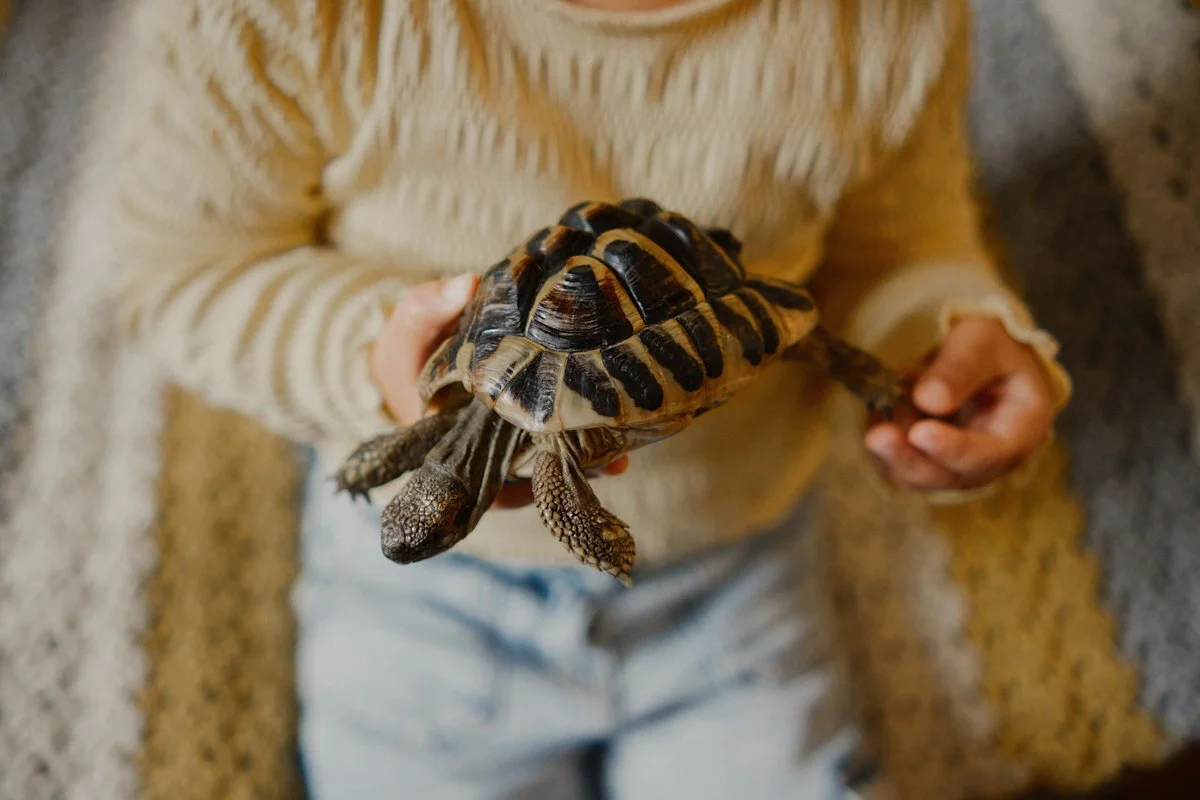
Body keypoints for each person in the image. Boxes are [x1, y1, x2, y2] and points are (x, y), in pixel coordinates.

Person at [103, 0, 1072, 797]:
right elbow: (184, 269)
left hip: (732, 574)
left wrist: (940, 343)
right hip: (418, 616)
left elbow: (896, 247)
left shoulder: (883, 22)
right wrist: (371, 363)